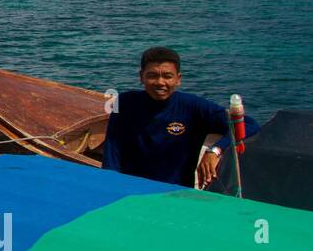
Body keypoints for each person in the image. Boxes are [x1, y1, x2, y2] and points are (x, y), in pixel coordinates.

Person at [102, 46, 260, 189]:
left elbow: (248, 124)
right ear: (141, 77)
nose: (160, 82)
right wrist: (111, 187)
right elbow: (112, 153)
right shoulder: (125, 103)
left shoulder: (192, 107)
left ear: (178, 79)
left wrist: (215, 150)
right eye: (152, 76)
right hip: (131, 187)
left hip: (176, 192)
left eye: (167, 76)